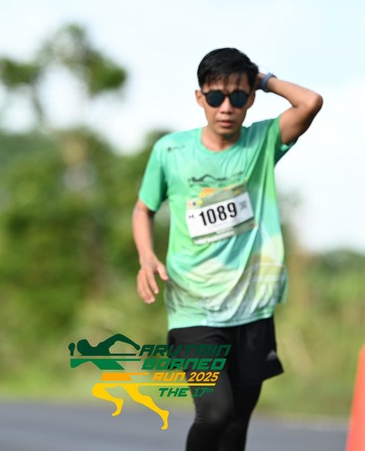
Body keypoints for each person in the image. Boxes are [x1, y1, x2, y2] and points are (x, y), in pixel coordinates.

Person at [132, 47, 323, 451]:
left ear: (250, 99)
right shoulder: (171, 151)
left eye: (237, 96)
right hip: (193, 308)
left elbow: (310, 102)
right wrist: (146, 257)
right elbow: (143, 209)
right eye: (216, 96)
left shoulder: (262, 141)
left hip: (252, 305)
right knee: (215, 412)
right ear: (199, 97)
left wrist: (264, 79)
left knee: (236, 426)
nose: (226, 107)